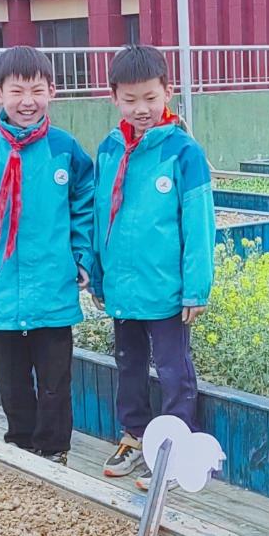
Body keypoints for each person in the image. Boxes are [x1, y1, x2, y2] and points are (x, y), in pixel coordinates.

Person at [0, 46, 94, 466]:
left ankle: (53, 451)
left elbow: (85, 202)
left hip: (52, 284)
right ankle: (21, 447)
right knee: (11, 380)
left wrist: (81, 256)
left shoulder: (65, 149)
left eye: (37, 90)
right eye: (17, 91)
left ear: (52, 91)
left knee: (55, 379)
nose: (27, 101)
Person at [89, 45, 216, 489]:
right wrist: (98, 275)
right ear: (113, 98)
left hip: (166, 292)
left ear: (168, 91)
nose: (141, 108)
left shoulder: (184, 152)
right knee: (128, 365)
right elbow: (99, 214)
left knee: (173, 370)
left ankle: (176, 448)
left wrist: (195, 289)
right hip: (123, 290)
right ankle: (135, 435)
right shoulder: (109, 149)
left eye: (150, 97)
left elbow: (199, 224)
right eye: (130, 99)